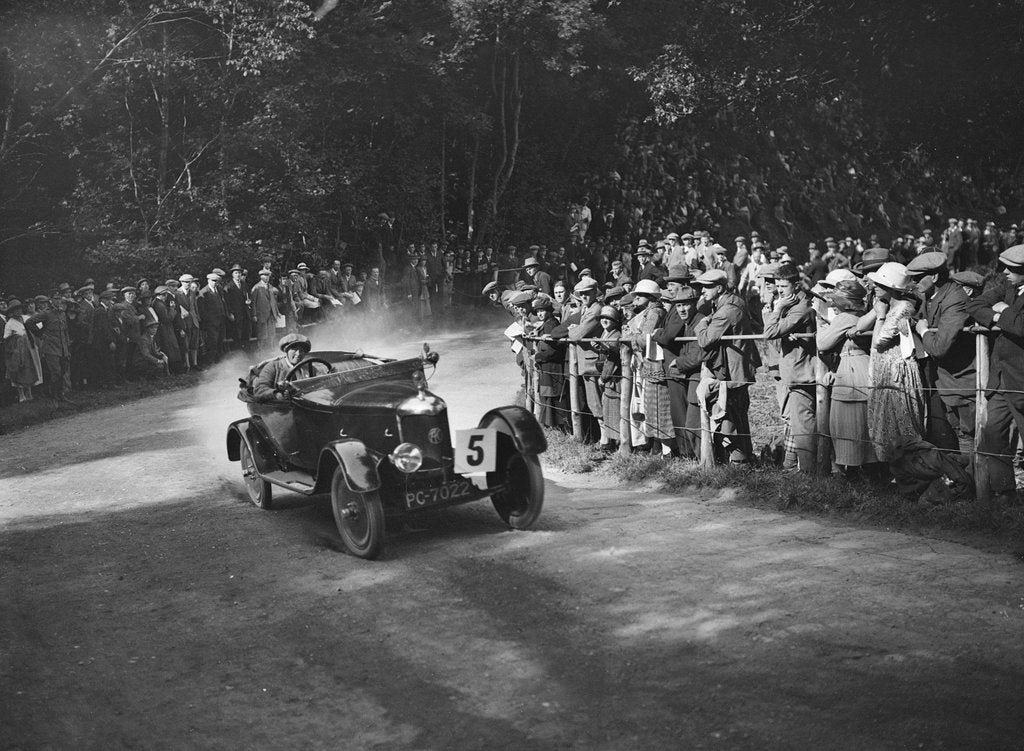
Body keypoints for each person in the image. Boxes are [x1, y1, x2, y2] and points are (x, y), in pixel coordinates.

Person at [907, 251, 976, 457]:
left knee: (968, 437)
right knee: (957, 436)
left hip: (962, 381)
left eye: (919, 277)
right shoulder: (931, 294)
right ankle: (964, 483)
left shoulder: (955, 298)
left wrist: (923, 331)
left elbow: (939, 347)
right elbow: (919, 316)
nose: (914, 282)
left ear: (935, 277)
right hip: (946, 382)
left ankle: (974, 486)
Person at [693, 269, 761, 464]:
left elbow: (706, 340)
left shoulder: (727, 310)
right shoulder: (730, 303)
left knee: (731, 414)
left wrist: (702, 323)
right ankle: (743, 458)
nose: (703, 291)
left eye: (707, 287)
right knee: (737, 413)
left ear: (720, 288)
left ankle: (739, 460)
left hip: (734, 370)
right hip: (737, 367)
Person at [975, 245, 1024, 502]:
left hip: (1021, 380)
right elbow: (976, 304)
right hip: (1001, 378)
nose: (1004, 272)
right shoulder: (1007, 288)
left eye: (1012, 269)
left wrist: (1004, 310)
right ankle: (1005, 492)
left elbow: (1021, 327)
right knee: (992, 434)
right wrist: (998, 316)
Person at [864, 262, 924, 462]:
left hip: (897, 369)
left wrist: (879, 316)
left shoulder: (903, 307)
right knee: (886, 418)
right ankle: (893, 466)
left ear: (891, 288)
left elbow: (878, 341)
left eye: (880, 284)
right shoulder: (891, 305)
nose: (875, 286)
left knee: (901, 417)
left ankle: (909, 466)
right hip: (885, 367)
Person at [815, 280, 876, 474]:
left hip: (850, 371)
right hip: (864, 368)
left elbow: (823, 343)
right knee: (864, 423)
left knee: (847, 424)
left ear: (846, 302)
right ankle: (871, 471)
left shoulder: (844, 319)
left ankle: (853, 472)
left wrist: (822, 323)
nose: (832, 304)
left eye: (836, 301)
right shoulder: (863, 315)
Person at [762, 263, 816, 472]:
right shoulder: (792, 306)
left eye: (783, 286)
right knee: (796, 423)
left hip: (801, 373)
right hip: (795, 371)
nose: (779, 291)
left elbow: (769, 333)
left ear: (795, 285)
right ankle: (793, 465)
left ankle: (809, 472)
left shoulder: (799, 308)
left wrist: (776, 310)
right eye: (777, 286)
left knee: (803, 424)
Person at [253, 333, 312, 401]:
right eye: (294, 349)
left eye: (301, 350)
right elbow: (259, 390)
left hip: (305, 404)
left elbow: (321, 380)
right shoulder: (273, 367)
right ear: (286, 350)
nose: (298, 354)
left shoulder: (308, 368)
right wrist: (277, 394)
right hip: (280, 408)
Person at [3, 299, 40, 401]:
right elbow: (6, 338)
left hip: (28, 348)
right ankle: (21, 395)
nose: (18, 311)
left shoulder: (26, 318)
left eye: (19, 309)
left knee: (29, 370)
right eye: (15, 310)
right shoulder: (9, 324)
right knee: (19, 371)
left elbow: (37, 327)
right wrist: (16, 338)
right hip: (17, 351)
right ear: (11, 312)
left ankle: (29, 392)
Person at [198, 272, 226, 364]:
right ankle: (211, 362)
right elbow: (202, 310)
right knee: (212, 342)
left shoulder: (218, 289)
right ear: (208, 280)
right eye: (213, 281)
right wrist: (209, 321)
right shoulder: (204, 292)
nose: (215, 283)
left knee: (219, 341)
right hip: (211, 323)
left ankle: (218, 361)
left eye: (216, 281)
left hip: (220, 320)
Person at [250, 268, 280, 353]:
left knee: (271, 335)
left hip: (271, 315)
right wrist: (254, 315)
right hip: (261, 315)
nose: (266, 278)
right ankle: (260, 353)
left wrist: (277, 312)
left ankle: (271, 352)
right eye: (264, 276)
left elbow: (273, 301)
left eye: (268, 276)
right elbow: (253, 303)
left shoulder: (271, 287)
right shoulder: (256, 287)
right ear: (260, 277)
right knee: (262, 336)